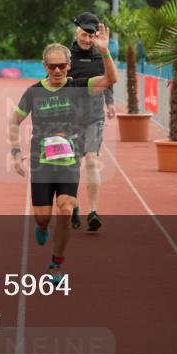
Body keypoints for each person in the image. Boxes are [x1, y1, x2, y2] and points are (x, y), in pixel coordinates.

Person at [9, 25, 117, 284]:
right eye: (52, 66)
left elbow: (109, 80)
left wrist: (104, 52)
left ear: (69, 65)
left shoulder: (79, 87)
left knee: (66, 209)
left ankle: (56, 264)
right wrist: (16, 152)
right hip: (41, 164)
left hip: (69, 162)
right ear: (44, 66)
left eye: (61, 66)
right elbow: (14, 121)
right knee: (43, 216)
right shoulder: (33, 92)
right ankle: (42, 226)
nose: (57, 71)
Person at [68, 12, 115, 233]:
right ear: (76, 33)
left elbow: (109, 80)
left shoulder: (100, 56)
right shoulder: (65, 57)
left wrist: (110, 102)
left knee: (92, 160)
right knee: (71, 165)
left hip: (94, 117)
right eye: (84, 35)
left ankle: (93, 211)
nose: (87, 40)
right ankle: (74, 204)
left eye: (91, 36)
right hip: (69, 118)